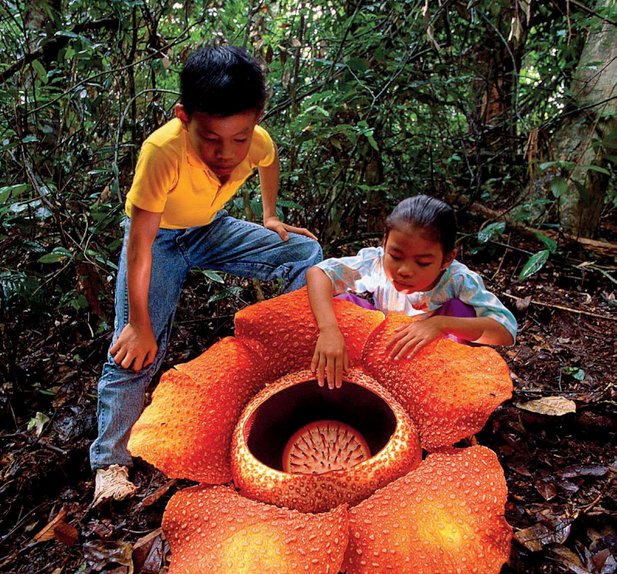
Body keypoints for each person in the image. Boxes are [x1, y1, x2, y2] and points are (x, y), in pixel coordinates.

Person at [90, 45, 322, 506]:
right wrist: (138, 324)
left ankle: (289, 358)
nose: (227, 153)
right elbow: (139, 249)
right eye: (211, 139)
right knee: (134, 351)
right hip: (158, 242)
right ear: (184, 117)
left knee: (305, 251)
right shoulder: (162, 152)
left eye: (239, 138)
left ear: (255, 118)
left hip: (208, 229)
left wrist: (271, 215)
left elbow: (268, 160)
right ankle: (110, 463)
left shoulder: (255, 140)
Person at [307, 194, 516, 389]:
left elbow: (505, 331)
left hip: (438, 362)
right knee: (343, 303)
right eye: (395, 256)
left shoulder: (458, 280)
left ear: (447, 259)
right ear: (384, 243)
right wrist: (329, 330)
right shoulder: (376, 262)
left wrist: (440, 324)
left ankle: (449, 389)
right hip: (383, 351)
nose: (404, 270)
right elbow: (319, 273)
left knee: (462, 310)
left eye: (422, 262)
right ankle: (343, 373)